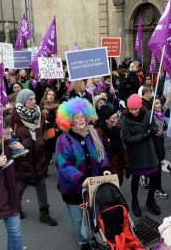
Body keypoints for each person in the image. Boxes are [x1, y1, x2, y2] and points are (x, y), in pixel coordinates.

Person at [55, 97, 111, 249]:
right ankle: (84, 243)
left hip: (95, 186)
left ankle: (97, 237)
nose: (80, 120)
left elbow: (102, 154)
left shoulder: (95, 134)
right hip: (73, 190)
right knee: (79, 220)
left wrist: (105, 168)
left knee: (96, 215)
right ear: (68, 120)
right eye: (75, 117)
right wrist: (81, 179)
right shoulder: (63, 139)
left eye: (82, 116)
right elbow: (63, 165)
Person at [10, 89, 58, 226]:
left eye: (34, 98)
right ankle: (15, 209)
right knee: (20, 187)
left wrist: (44, 139)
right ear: (23, 101)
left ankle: (44, 214)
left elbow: (43, 134)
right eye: (30, 99)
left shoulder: (39, 114)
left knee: (41, 186)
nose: (34, 101)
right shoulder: (14, 118)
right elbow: (9, 139)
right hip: (22, 159)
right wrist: (22, 144)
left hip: (39, 158)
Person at [121, 94, 161, 217]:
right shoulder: (125, 119)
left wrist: (152, 129)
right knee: (135, 179)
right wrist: (143, 136)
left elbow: (155, 127)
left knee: (154, 177)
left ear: (140, 106)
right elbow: (126, 139)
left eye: (136, 109)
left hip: (149, 152)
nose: (134, 112)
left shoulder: (147, 114)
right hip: (135, 154)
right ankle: (135, 202)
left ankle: (150, 200)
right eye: (131, 109)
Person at [97, 104, 127, 186]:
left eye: (116, 117)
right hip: (108, 172)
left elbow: (122, 148)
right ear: (106, 120)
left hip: (118, 169)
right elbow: (101, 155)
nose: (116, 120)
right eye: (113, 118)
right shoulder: (100, 133)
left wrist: (126, 164)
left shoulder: (116, 129)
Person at [39, 88, 60, 166]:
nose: (51, 96)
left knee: (59, 155)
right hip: (46, 134)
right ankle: (45, 171)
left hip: (56, 133)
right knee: (47, 154)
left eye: (53, 95)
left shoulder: (58, 108)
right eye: (49, 94)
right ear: (46, 96)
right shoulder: (41, 107)